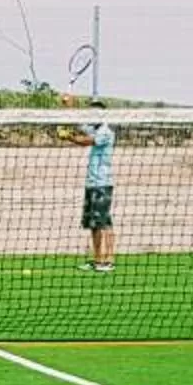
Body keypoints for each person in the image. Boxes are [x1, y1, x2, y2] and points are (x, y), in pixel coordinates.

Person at [70, 112, 118, 270]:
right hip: (93, 183)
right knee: (97, 223)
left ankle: (106, 261)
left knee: (101, 223)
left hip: (102, 184)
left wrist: (68, 137)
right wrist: (69, 106)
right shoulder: (95, 129)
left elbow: (86, 141)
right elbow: (79, 123)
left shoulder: (105, 132)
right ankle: (100, 259)